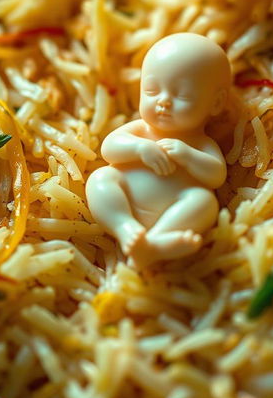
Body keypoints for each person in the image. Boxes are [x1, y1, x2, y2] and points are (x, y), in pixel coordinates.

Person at [86, 32, 231, 268]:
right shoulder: (142, 130)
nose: (163, 102)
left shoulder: (200, 143)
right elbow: (109, 148)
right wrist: (140, 147)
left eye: (182, 95)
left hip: (176, 207)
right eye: (152, 91)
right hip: (126, 199)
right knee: (101, 178)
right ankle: (126, 228)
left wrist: (188, 155)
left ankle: (153, 243)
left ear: (215, 103)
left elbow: (216, 175)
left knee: (204, 201)